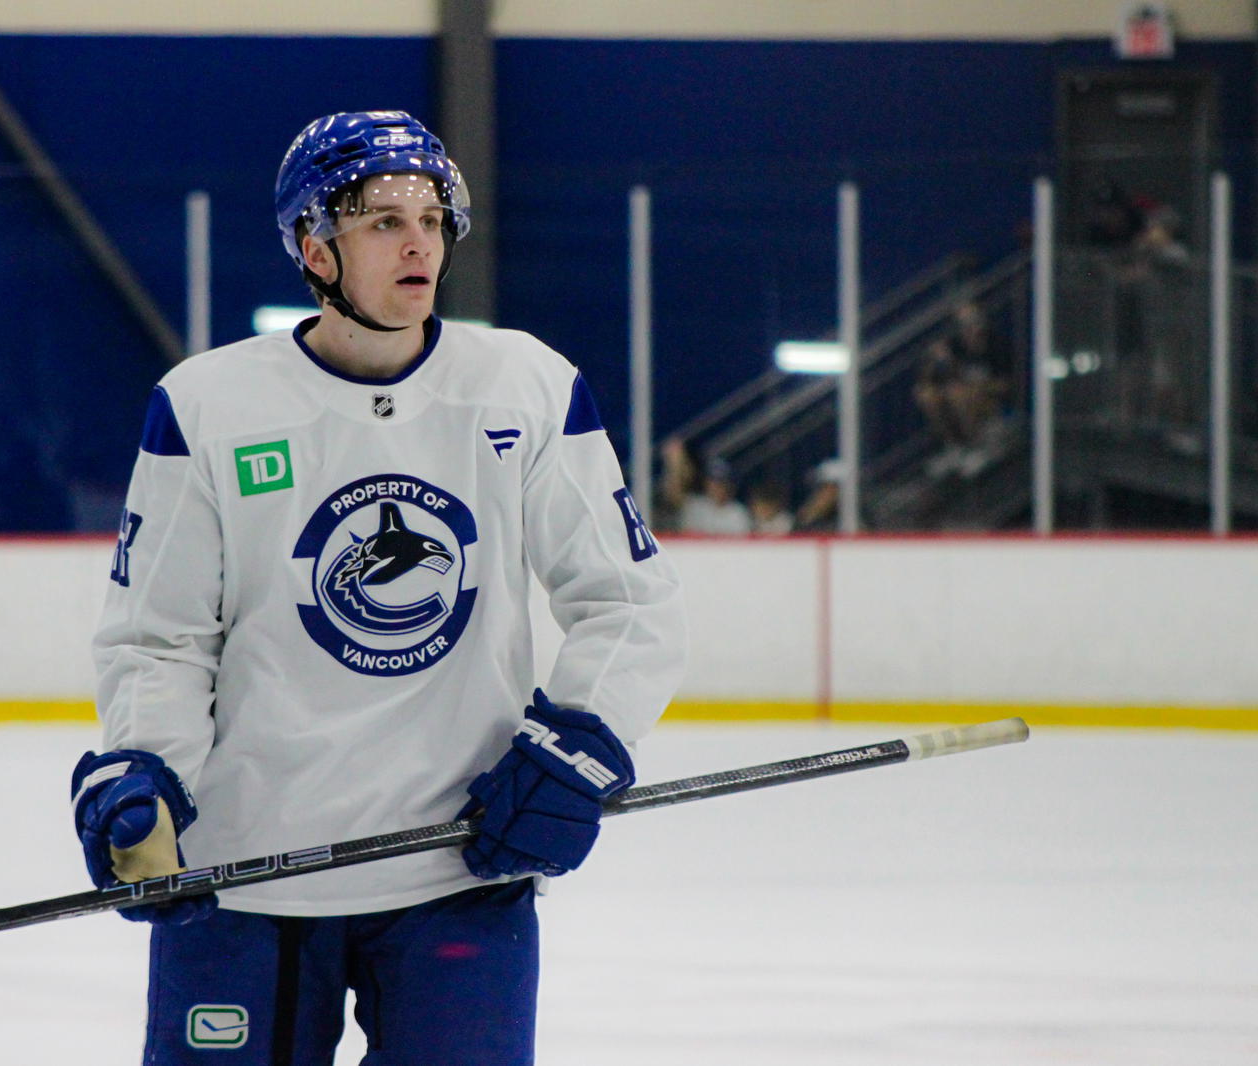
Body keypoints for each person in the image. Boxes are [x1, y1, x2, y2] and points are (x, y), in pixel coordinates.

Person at [69, 111, 687, 1065]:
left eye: (434, 219)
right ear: (315, 250)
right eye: (385, 220)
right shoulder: (207, 405)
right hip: (249, 879)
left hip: (461, 868)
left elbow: (628, 600)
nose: (419, 242)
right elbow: (162, 636)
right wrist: (146, 770)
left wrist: (582, 741)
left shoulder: (524, 385)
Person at [915, 299, 1015, 478]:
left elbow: (1005, 384)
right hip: (959, 400)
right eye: (962, 322)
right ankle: (954, 447)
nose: (968, 326)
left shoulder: (996, 344)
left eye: (972, 320)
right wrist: (938, 360)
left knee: (958, 394)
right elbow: (934, 380)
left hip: (991, 403)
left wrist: (978, 388)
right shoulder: (955, 346)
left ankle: (974, 447)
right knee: (927, 395)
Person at [658, 436, 750, 533]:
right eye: (712, 481)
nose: (715, 487)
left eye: (721, 482)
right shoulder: (696, 506)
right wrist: (675, 465)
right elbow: (674, 496)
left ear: (730, 486)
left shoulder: (738, 512)